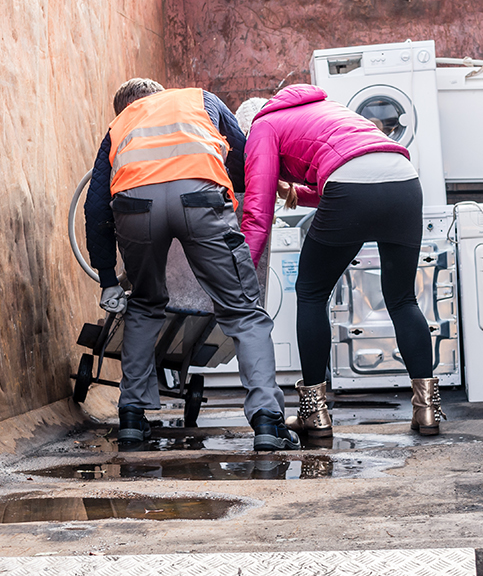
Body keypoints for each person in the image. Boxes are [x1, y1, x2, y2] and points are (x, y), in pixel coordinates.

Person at [83, 79, 299, 451]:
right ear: (163, 91)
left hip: (136, 208)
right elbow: (245, 158)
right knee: (243, 310)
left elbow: (95, 207)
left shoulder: (122, 123)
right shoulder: (201, 99)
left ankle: (132, 418)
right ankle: (268, 422)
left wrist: (107, 278)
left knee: (145, 304)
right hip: (199, 200)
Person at [239, 84, 444, 437]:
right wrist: (296, 193)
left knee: (311, 292)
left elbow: (257, 212)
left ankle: (314, 414)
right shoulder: (324, 109)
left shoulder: (261, 126)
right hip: (405, 181)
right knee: (402, 298)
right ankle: (427, 410)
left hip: (351, 187)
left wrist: (240, 276)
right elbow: (347, 177)